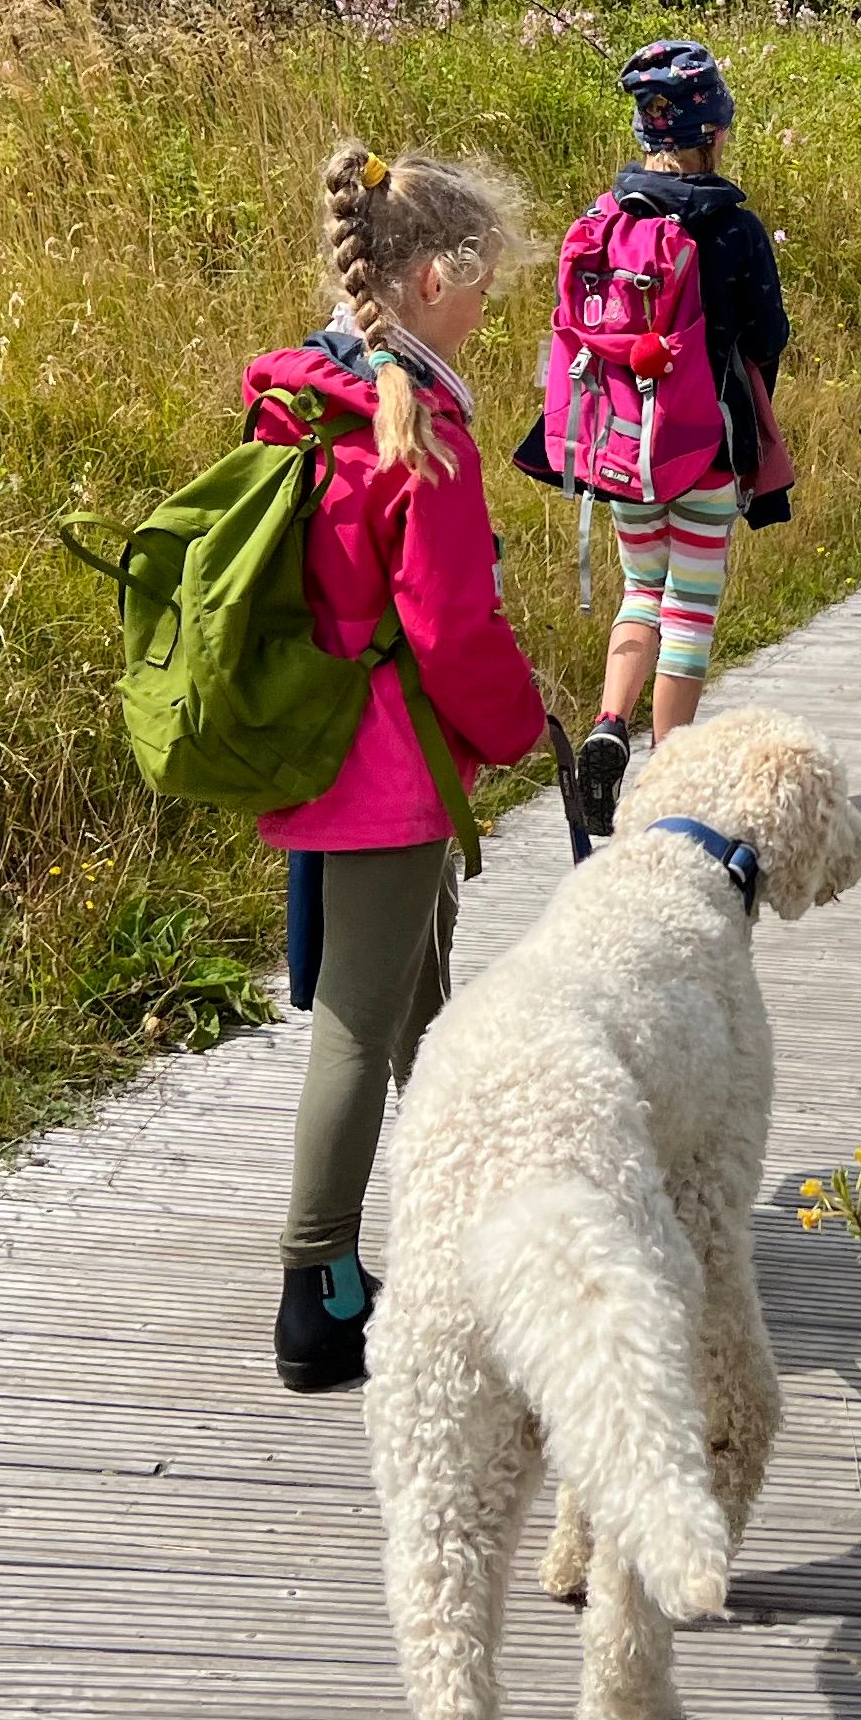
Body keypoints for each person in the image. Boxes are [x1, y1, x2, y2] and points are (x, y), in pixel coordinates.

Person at [248, 144, 548, 1395]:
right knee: (357, 1027)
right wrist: (524, 725)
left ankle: (461, 1206)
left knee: (414, 995)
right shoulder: (413, 422)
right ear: (433, 278)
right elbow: (448, 628)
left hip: (314, 744)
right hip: (389, 767)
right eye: (484, 286)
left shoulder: (302, 390)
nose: (491, 309)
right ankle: (316, 1291)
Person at [518, 38, 791, 835]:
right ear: (716, 132)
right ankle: (672, 773)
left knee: (642, 592)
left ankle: (610, 723)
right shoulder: (732, 230)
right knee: (692, 609)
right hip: (702, 449)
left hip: (618, 449)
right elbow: (767, 334)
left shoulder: (602, 221)